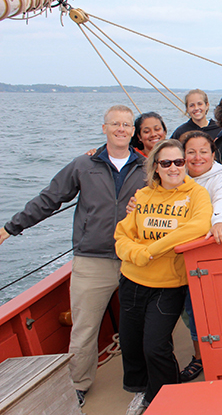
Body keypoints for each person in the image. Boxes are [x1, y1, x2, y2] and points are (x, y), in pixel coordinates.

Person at [0, 105, 146, 408]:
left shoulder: (148, 168)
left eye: (127, 125)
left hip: (136, 258)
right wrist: (10, 228)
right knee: (84, 330)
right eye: (115, 124)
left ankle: (147, 384)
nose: (121, 129)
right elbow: (49, 199)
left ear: (133, 131)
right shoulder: (83, 165)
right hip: (92, 260)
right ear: (104, 128)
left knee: (146, 327)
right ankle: (78, 385)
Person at [115, 139, 212, 414]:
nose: (173, 168)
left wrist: (150, 251)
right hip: (132, 280)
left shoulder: (197, 195)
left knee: (155, 346)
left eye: (179, 162)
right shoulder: (143, 195)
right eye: (166, 163)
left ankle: (169, 398)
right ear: (155, 167)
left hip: (168, 285)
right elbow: (122, 234)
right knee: (131, 344)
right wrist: (136, 254)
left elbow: (198, 225)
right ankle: (142, 392)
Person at [178, 131, 222, 383]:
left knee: (200, 309)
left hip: (205, 255)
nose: (197, 157)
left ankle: (204, 357)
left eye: (203, 151)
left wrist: (220, 221)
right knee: (186, 310)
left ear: (213, 154)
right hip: (177, 255)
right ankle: (200, 355)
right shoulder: (174, 177)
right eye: (191, 152)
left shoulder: (219, 178)